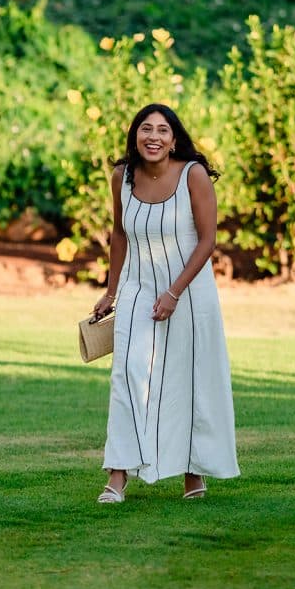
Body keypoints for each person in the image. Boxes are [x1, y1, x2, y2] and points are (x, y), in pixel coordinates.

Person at [92, 103, 240, 503]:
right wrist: (111, 292)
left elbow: (207, 240)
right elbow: (119, 235)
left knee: (189, 382)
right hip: (138, 291)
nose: (153, 137)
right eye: (145, 129)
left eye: (162, 130)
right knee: (127, 377)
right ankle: (117, 477)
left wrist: (174, 293)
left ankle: (193, 476)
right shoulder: (121, 177)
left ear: (174, 139)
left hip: (190, 294)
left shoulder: (193, 175)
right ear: (135, 135)